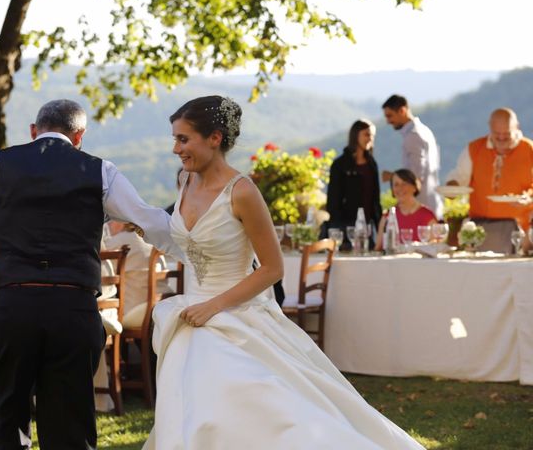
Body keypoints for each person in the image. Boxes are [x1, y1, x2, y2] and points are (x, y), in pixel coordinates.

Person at [0, 99, 182, 450]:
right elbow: (153, 222)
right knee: (70, 425)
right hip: (73, 308)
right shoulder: (101, 171)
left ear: (33, 131)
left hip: (14, 307)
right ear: (80, 137)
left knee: (3, 421)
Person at [144, 95, 424, 449]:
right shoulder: (185, 181)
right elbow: (192, 245)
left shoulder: (242, 192)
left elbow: (273, 268)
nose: (175, 148)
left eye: (183, 139)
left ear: (214, 138)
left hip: (234, 313)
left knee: (264, 410)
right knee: (195, 412)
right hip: (192, 314)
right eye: (175, 138)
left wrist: (213, 306)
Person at [447, 107, 533, 233]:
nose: (502, 138)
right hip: (481, 228)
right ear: (490, 128)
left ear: (517, 127)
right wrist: (451, 188)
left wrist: (529, 198)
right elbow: (459, 178)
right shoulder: (474, 149)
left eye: (507, 134)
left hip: (522, 228)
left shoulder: (529, 149)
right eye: (497, 134)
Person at [382, 94, 443, 220]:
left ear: (402, 111)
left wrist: (393, 177)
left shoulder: (413, 136)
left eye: (390, 116)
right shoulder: (424, 130)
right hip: (432, 201)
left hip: (420, 208)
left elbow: (416, 175)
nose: (388, 121)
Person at [326, 119, 382, 248]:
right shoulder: (340, 165)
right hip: (345, 229)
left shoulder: (371, 164)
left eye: (372, 135)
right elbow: (333, 199)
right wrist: (339, 226)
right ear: (355, 135)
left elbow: (375, 199)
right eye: (367, 134)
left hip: (367, 228)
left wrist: (379, 226)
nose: (370, 139)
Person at [375, 169, 438, 250]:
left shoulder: (427, 216)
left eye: (404, 184)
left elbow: (435, 247)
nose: (400, 188)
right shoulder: (387, 217)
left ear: (414, 187)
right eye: (396, 184)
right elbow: (378, 249)